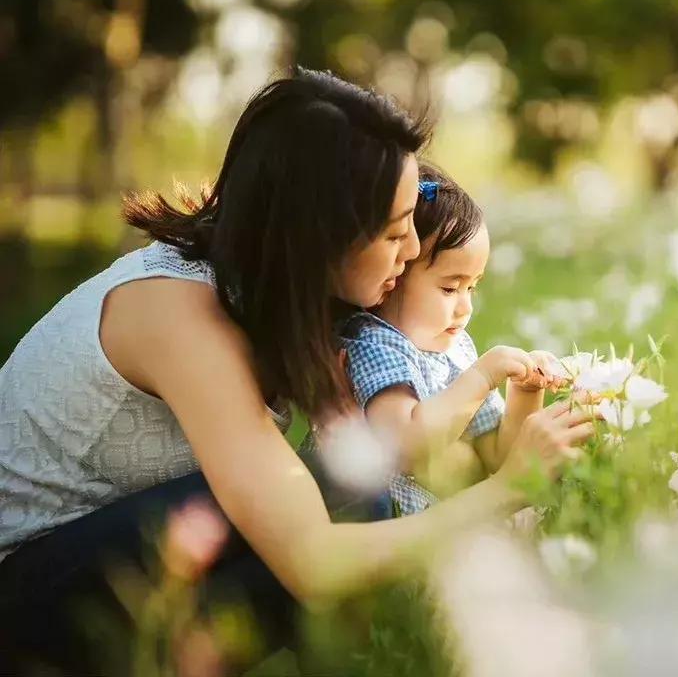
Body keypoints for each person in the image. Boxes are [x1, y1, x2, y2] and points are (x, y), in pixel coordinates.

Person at [0, 68, 597, 674]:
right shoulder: (180, 316)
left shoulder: (268, 290)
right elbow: (312, 562)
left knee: (351, 487)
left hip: (113, 552)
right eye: (394, 235)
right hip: (25, 587)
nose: (414, 252)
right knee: (336, 506)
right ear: (324, 235)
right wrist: (507, 492)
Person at [335, 162, 564, 517]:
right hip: (384, 534)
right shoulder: (374, 343)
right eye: (449, 288)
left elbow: (497, 457)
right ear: (394, 275)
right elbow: (406, 450)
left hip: (440, 542)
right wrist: (482, 378)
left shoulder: (455, 350)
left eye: (472, 287)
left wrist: (526, 389)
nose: (465, 307)